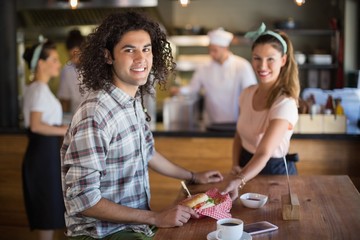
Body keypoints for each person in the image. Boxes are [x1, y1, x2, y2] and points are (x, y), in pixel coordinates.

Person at [60, 11, 223, 240]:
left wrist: (193, 176)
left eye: (146, 49)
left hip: (135, 227)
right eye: (129, 50)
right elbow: (85, 200)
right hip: (102, 234)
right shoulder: (96, 114)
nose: (141, 58)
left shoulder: (132, 101)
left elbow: (148, 153)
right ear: (108, 56)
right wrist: (156, 217)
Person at [222, 23, 300, 200]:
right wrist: (235, 165)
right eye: (257, 58)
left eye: (270, 59)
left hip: (274, 173)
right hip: (246, 168)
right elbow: (239, 135)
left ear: (283, 60)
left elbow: (264, 152)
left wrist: (240, 178)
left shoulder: (285, 102)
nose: (262, 66)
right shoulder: (247, 93)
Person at [22, 37, 68, 240]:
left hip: (45, 155)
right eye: (55, 59)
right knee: (47, 214)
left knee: (50, 213)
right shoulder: (39, 89)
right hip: (43, 157)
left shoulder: (36, 88)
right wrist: (65, 130)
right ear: (41, 63)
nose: (59, 64)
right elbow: (36, 125)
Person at [172, 27, 257, 125]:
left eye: (215, 50)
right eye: (210, 50)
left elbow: (251, 94)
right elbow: (193, 88)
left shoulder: (242, 66)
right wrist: (180, 90)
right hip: (211, 123)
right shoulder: (204, 68)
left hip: (236, 123)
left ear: (225, 48)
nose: (211, 54)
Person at [57, 29, 85, 117]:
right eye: (70, 56)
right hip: (76, 117)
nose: (73, 60)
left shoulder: (97, 66)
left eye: (76, 55)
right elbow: (65, 99)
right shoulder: (67, 70)